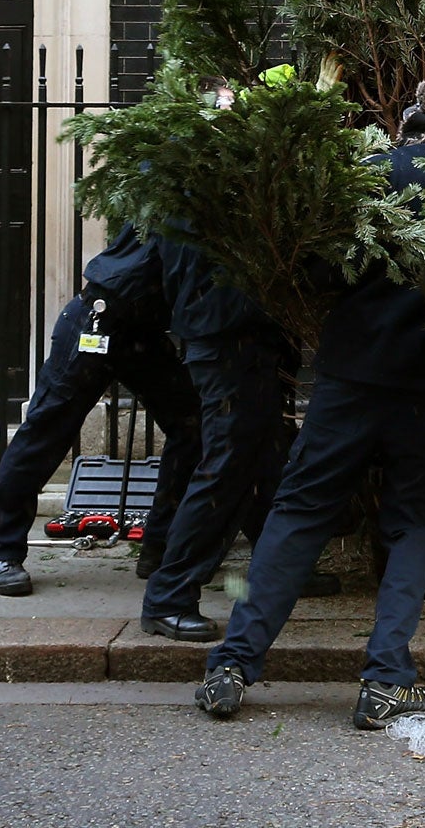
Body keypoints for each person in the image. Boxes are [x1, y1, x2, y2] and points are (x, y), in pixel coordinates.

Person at [196, 74, 425, 728]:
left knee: (299, 514)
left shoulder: (372, 172)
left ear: (416, 119)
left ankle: (233, 664)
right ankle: (385, 679)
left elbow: (322, 270)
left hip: (349, 377)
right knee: (414, 524)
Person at [0, 224, 202, 596]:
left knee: (193, 426)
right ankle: (2, 552)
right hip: (98, 320)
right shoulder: (176, 186)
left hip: (142, 332)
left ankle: (160, 546)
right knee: (45, 434)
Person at [138, 229, 295, 642]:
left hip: (235, 337)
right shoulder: (208, 184)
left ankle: (270, 574)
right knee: (226, 467)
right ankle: (169, 596)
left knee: (252, 465)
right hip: (227, 338)